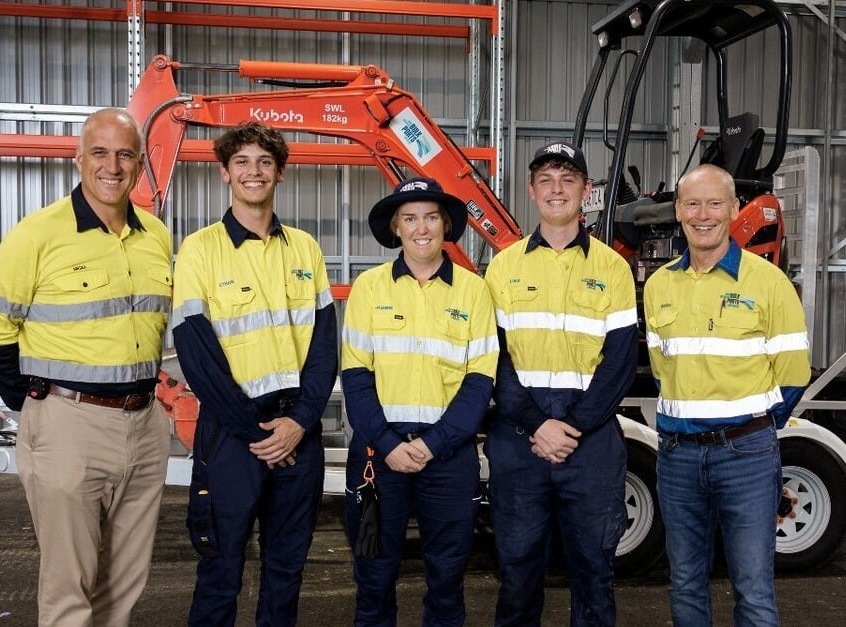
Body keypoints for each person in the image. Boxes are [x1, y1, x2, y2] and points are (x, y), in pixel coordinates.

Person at [0, 107, 173, 626]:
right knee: (70, 587)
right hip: (67, 422)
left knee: (125, 585)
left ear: (140, 163)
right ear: (78, 159)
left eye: (125, 154)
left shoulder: (155, 236)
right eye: (100, 153)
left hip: (145, 424)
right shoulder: (36, 234)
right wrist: (38, 407)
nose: (112, 165)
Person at [171, 121, 338, 627]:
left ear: (279, 174)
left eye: (264, 162)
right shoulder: (200, 249)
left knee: (286, 570)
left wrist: (299, 424)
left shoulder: (305, 249)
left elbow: (324, 347)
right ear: (224, 173)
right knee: (221, 568)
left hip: (297, 433)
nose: (253, 171)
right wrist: (256, 431)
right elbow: (196, 355)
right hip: (233, 435)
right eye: (241, 162)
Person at [643, 163, 811, 626]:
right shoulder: (659, 286)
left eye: (715, 203)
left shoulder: (768, 283)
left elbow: (794, 374)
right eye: (692, 204)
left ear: (734, 209)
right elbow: (663, 369)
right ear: (678, 211)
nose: (703, 214)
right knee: (685, 583)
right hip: (677, 456)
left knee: (753, 586)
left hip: (746, 456)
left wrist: (751, 429)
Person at [483, 142, 638, 626]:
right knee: (517, 568)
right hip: (519, 437)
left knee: (594, 568)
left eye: (568, 179)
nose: (556, 189)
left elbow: (620, 362)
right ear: (531, 191)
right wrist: (537, 426)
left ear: (585, 192)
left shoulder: (612, 267)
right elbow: (495, 360)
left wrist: (570, 427)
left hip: (589, 441)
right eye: (546, 179)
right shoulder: (504, 267)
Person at [341, 177, 498, 626]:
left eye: (431, 216)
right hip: (378, 457)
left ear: (446, 224)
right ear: (395, 227)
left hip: (448, 460)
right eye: (409, 218)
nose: (421, 228)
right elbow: (355, 377)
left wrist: (433, 445)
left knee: (447, 582)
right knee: (373, 579)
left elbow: (479, 382)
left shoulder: (474, 292)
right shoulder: (369, 289)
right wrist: (389, 445)